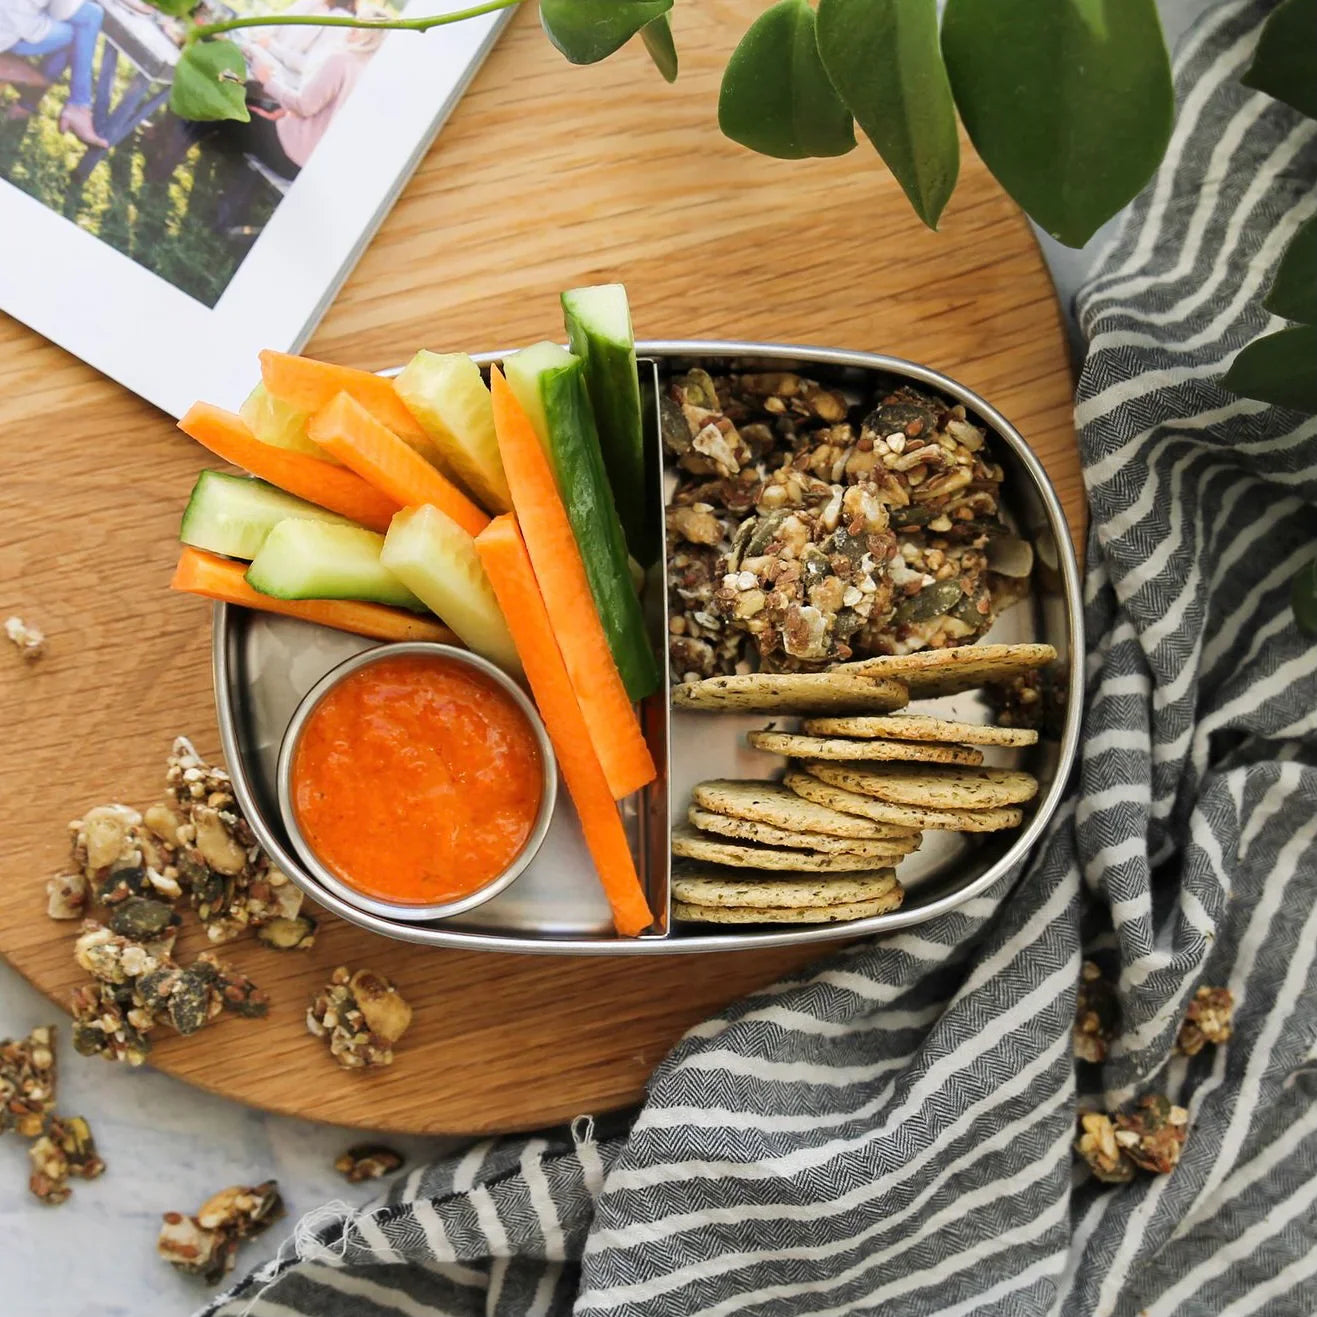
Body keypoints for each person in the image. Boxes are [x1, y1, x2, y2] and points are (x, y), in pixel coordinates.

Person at [244, 17, 384, 178]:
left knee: (228, 115)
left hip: (288, 150)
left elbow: (305, 106)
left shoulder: (343, 60)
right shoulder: (367, 75)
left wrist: (267, 80)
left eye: (360, 26)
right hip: (304, 166)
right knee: (250, 107)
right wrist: (285, 112)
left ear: (371, 37)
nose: (352, 27)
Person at [0, 0, 108, 146]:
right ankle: (77, 106)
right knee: (85, 25)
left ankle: (30, 103)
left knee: (88, 17)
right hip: (8, 24)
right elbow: (61, 10)